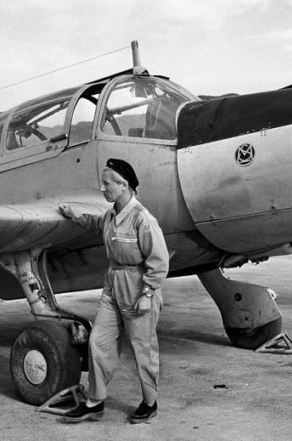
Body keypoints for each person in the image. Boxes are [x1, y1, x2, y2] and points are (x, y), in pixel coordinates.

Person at [58, 158, 169, 424]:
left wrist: (148, 293)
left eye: (107, 183)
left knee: (143, 349)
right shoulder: (110, 215)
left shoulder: (143, 219)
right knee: (98, 342)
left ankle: (150, 402)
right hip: (113, 285)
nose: (102, 188)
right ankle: (94, 402)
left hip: (138, 286)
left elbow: (159, 261)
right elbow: (98, 225)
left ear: (124, 185)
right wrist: (74, 216)